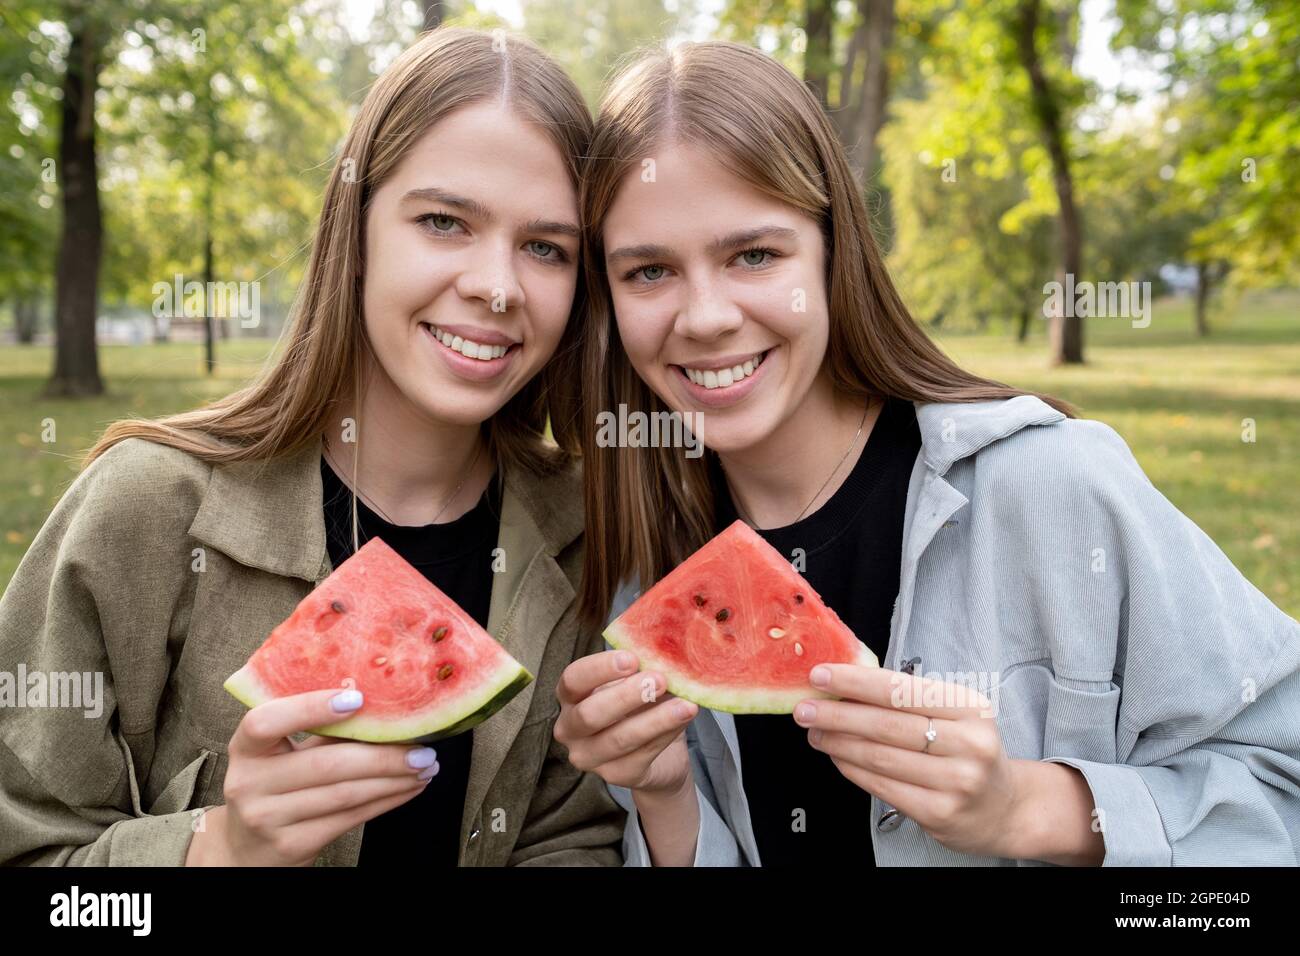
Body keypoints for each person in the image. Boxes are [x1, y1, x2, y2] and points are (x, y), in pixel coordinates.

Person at [554, 40, 1300, 867]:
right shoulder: (648, 568)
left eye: (754, 255)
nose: (704, 317)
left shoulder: (1055, 485)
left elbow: (1283, 782)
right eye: (649, 272)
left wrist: (1031, 810)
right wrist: (664, 799)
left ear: (835, 253)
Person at [0, 27, 623, 867]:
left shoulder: (581, 533)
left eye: (545, 248)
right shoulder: (144, 508)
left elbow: (572, 838)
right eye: (444, 222)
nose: (497, 286)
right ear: (355, 233)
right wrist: (219, 845)